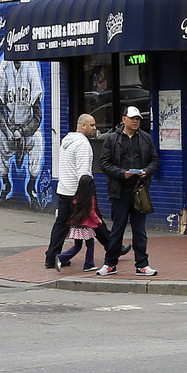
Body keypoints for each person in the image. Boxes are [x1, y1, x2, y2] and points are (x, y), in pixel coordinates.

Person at [46, 114, 121, 269]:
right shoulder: (82, 144)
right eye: (92, 125)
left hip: (64, 189)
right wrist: (86, 194)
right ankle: (112, 249)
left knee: (62, 224)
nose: (95, 128)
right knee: (95, 220)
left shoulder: (66, 141)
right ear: (82, 126)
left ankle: (51, 257)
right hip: (79, 191)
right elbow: (83, 171)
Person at [96, 106, 157, 276]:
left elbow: (154, 160)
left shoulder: (146, 138)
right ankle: (110, 264)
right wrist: (122, 174)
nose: (136, 121)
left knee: (140, 230)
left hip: (140, 191)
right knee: (117, 229)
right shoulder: (112, 139)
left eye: (137, 118)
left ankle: (142, 265)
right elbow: (104, 163)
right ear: (124, 119)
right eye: (132, 118)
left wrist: (147, 171)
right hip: (119, 191)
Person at [49, 175, 106, 271]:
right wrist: (98, 221)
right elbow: (91, 212)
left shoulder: (76, 197)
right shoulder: (90, 199)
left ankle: (61, 258)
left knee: (77, 246)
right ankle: (88, 264)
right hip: (87, 226)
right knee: (90, 245)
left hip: (77, 225)